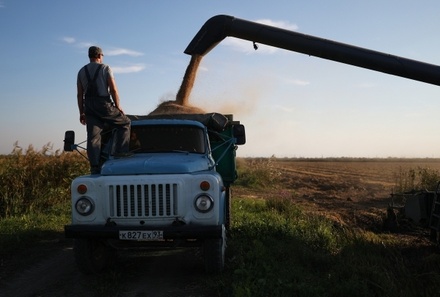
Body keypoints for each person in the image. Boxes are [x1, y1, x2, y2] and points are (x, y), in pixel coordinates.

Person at [77, 46, 131, 174]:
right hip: (103, 104)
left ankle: (94, 167)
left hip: (88, 105)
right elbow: (113, 90)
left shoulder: (81, 71)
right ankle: (120, 154)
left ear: (89, 56)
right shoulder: (105, 68)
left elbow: (79, 95)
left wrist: (82, 112)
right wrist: (118, 106)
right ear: (100, 56)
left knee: (93, 137)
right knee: (125, 123)